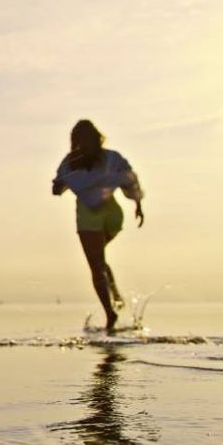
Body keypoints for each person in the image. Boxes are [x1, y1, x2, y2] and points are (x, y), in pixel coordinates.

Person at [52, 120, 144, 333]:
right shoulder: (102, 158)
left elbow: (129, 179)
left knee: (96, 264)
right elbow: (130, 179)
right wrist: (138, 204)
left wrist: (138, 204)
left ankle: (110, 314)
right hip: (111, 214)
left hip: (92, 215)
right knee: (98, 260)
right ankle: (115, 295)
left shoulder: (77, 161)